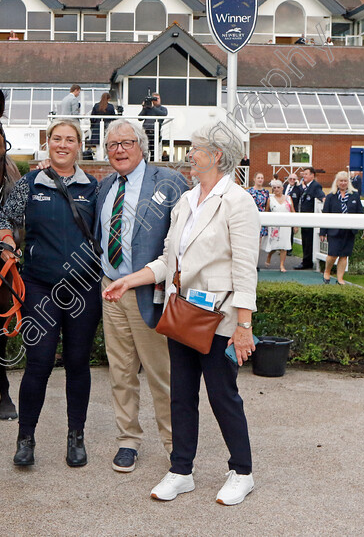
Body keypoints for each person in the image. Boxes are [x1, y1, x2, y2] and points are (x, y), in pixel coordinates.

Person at [103, 121, 260, 507]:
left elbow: (244, 270)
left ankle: (242, 472)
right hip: (182, 314)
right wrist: (130, 281)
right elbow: (166, 259)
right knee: (181, 397)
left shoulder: (238, 202)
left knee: (224, 397)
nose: (189, 154)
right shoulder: (186, 201)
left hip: (220, 320)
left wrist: (244, 326)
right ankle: (181, 470)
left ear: (217, 155)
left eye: (195, 148)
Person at [0, 118, 102, 469]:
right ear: (48, 142)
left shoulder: (94, 188)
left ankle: (76, 437)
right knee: (38, 364)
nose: (62, 144)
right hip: (40, 287)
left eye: (70, 139)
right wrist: (8, 243)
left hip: (83, 290)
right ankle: (25, 439)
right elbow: (4, 221)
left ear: (79, 145)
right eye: (56, 138)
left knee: (77, 364)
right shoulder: (29, 183)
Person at [94, 118, 188, 473]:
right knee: (120, 372)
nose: (119, 150)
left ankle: (174, 444)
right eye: (112, 145)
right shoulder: (105, 187)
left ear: (141, 146)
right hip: (111, 290)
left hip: (150, 292)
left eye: (126, 143)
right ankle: (128, 440)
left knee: (161, 373)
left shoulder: (168, 181)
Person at [320, 171, 364, 285]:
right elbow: (325, 214)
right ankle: (327, 271)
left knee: (344, 255)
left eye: (345, 181)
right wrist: (323, 232)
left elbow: (360, 212)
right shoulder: (331, 197)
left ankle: (340, 278)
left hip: (349, 230)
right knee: (332, 254)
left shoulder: (354, 195)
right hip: (334, 230)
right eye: (341, 181)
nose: (343, 183)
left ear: (348, 182)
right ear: (337, 182)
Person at [294, 166, 325, 270]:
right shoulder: (305, 186)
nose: (304, 176)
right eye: (303, 174)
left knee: (308, 241)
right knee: (305, 240)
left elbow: (322, 196)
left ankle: (307, 262)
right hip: (304, 218)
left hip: (311, 219)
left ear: (312, 175)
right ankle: (306, 261)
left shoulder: (315, 186)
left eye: (306, 174)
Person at [263, 179, 294, 273]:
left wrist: (295, 225)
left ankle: (281, 265)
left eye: (278, 187)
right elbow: (266, 212)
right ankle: (269, 255)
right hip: (274, 226)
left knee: (284, 245)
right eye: (274, 188)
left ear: (282, 188)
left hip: (286, 225)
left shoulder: (288, 198)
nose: (276, 189)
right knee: (274, 245)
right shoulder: (270, 199)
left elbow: (293, 211)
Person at [138, 92, 167, 157]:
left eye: (158, 98)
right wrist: (144, 107)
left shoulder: (162, 108)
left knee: (153, 152)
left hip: (155, 132)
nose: (157, 100)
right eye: (155, 99)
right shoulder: (148, 108)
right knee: (144, 151)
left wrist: (153, 107)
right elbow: (140, 118)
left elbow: (163, 114)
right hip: (146, 132)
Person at [247, 172, 269, 248]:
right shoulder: (249, 192)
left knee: (259, 241)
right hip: (251, 217)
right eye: (258, 178)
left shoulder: (266, 192)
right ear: (254, 179)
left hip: (261, 217)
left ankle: (257, 259)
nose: (260, 180)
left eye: (262, 178)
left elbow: (267, 206)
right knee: (251, 241)